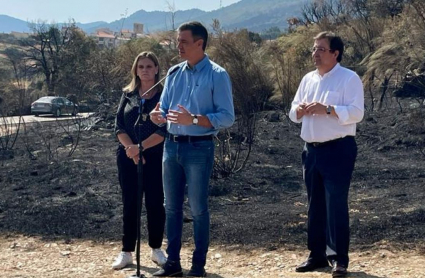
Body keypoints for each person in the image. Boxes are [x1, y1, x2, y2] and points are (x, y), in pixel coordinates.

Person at [150, 21, 235, 277]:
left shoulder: (218, 75)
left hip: (199, 148)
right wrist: (158, 115)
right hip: (171, 147)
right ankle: (173, 263)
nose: (178, 46)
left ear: (200, 43)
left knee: (198, 209)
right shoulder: (174, 72)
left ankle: (198, 265)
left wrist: (194, 119)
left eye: (184, 41)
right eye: (178, 41)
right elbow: (163, 107)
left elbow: (227, 116)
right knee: (171, 208)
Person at [289, 31, 364, 277]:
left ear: (335, 53)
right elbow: (292, 109)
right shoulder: (308, 79)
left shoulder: (349, 78)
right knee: (315, 204)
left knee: (336, 204)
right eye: (314, 49)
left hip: (338, 149)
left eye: (321, 49)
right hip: (310, 150)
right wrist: (298, 110)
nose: (315, 53)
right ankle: (316, 254)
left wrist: (328, 109)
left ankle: (339, 259)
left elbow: (356, 113)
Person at [112, 51, 167, 270]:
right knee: (130, 203)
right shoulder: (128, 94)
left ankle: (156, 249)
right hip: (127, 156)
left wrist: (140, 148)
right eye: (141, 66)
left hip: (154, 157)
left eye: (149, 66)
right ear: (136, 69)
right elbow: (118, 126)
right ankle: (127, 252)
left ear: (156, 69)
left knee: (155, 203)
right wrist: (132, 150)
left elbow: (164, 129)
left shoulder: (164, 95)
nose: (145, 70)